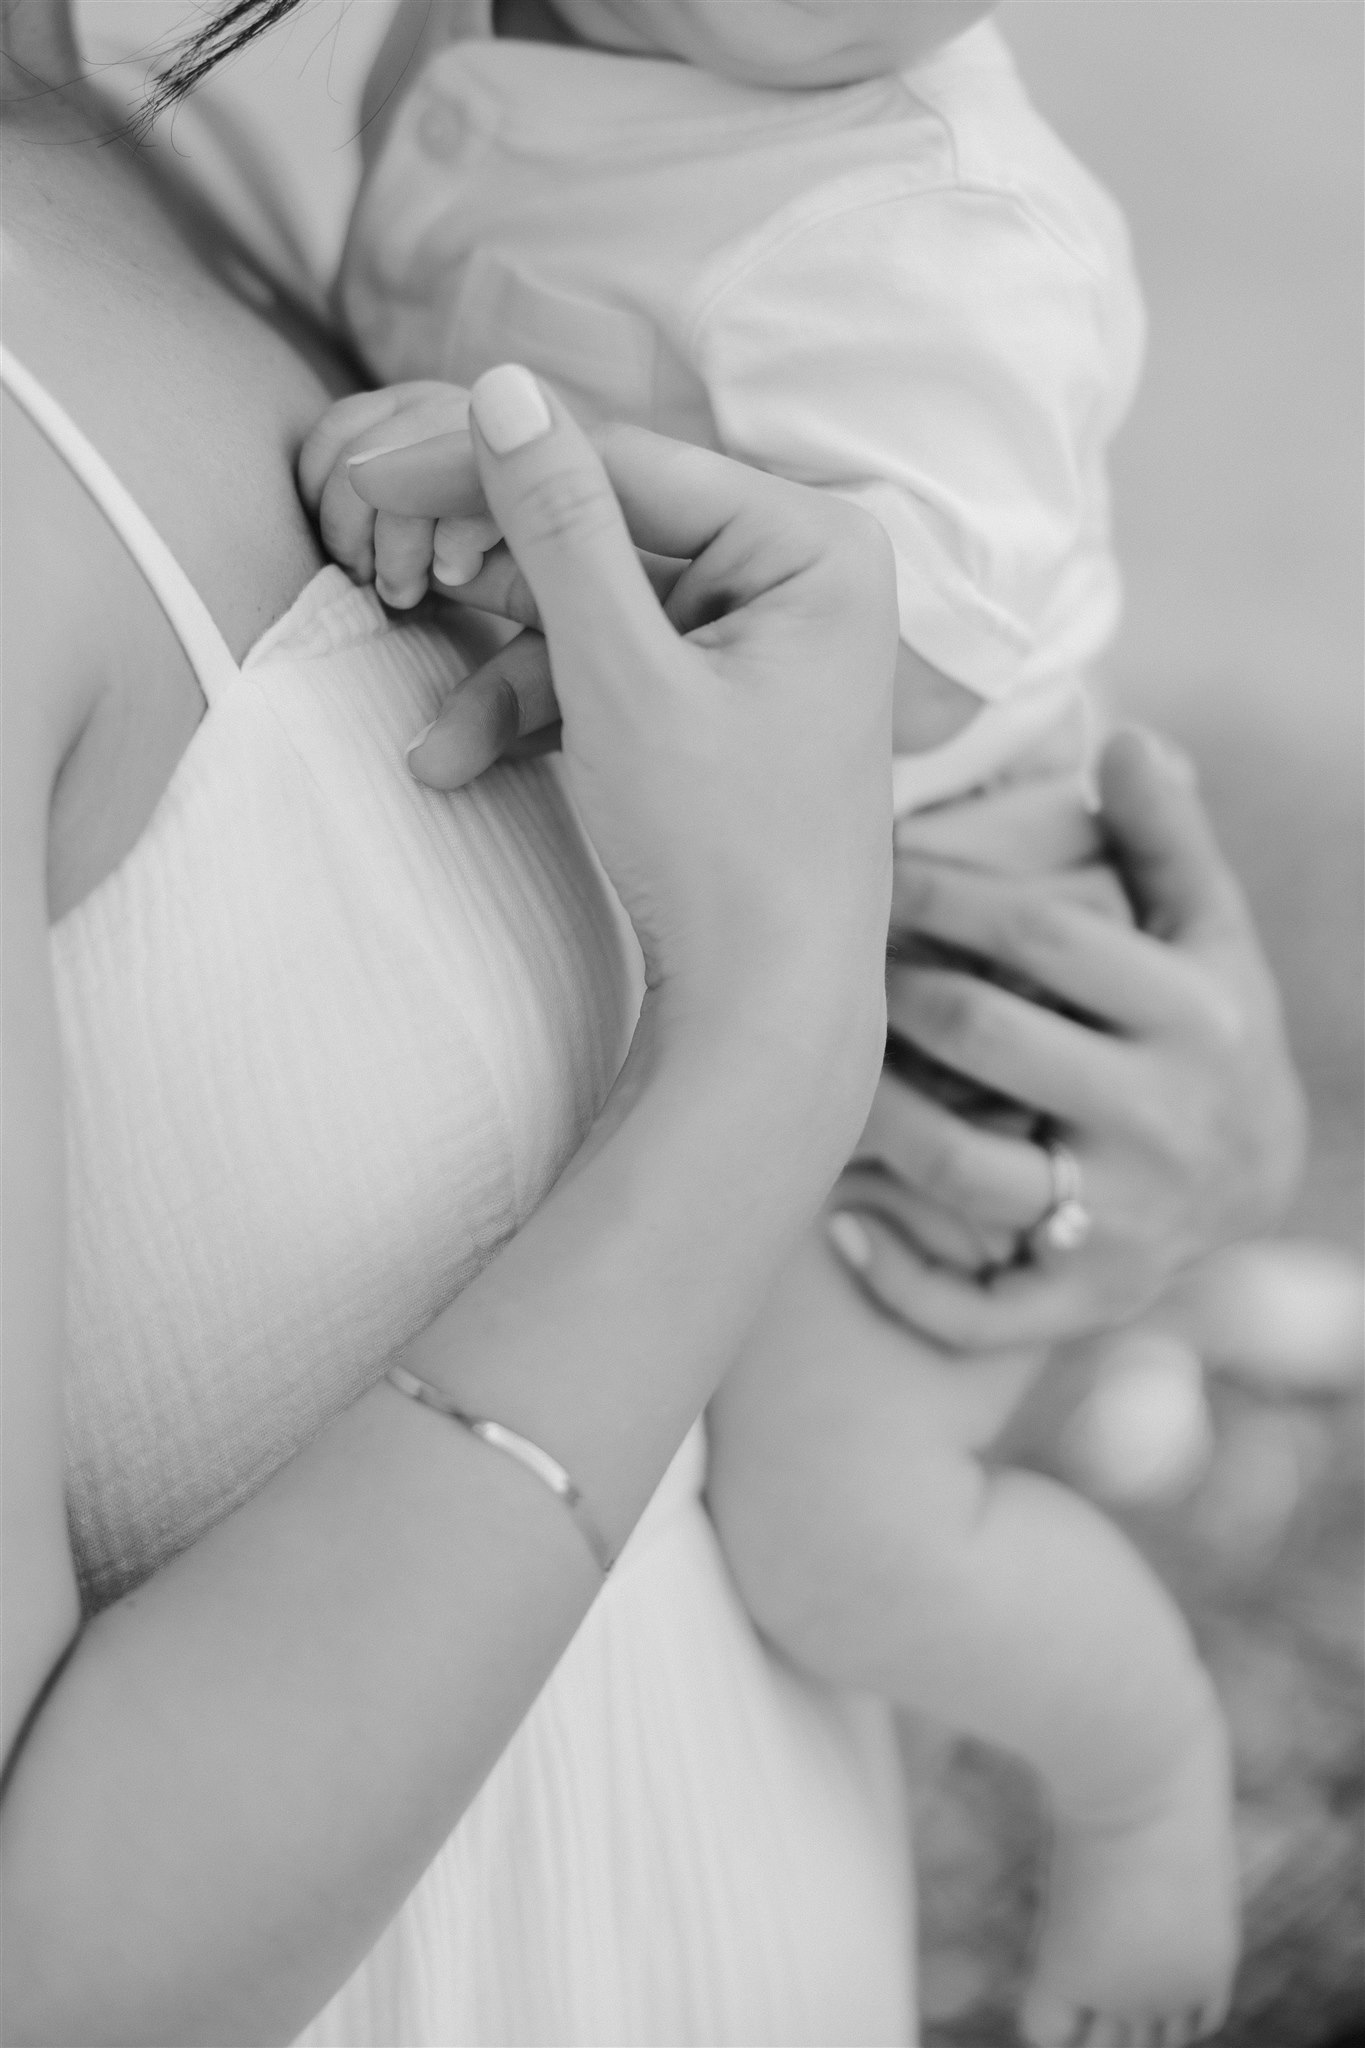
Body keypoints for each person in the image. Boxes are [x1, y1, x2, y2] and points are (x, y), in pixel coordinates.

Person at [0, 5, 1304, 2046]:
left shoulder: (164, 146)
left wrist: (1112, 1139)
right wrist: (769, 1042)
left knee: (852, 1521)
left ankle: (1131, 1748)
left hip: (939, 905)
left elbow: (936, 622)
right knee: (845, 1524)